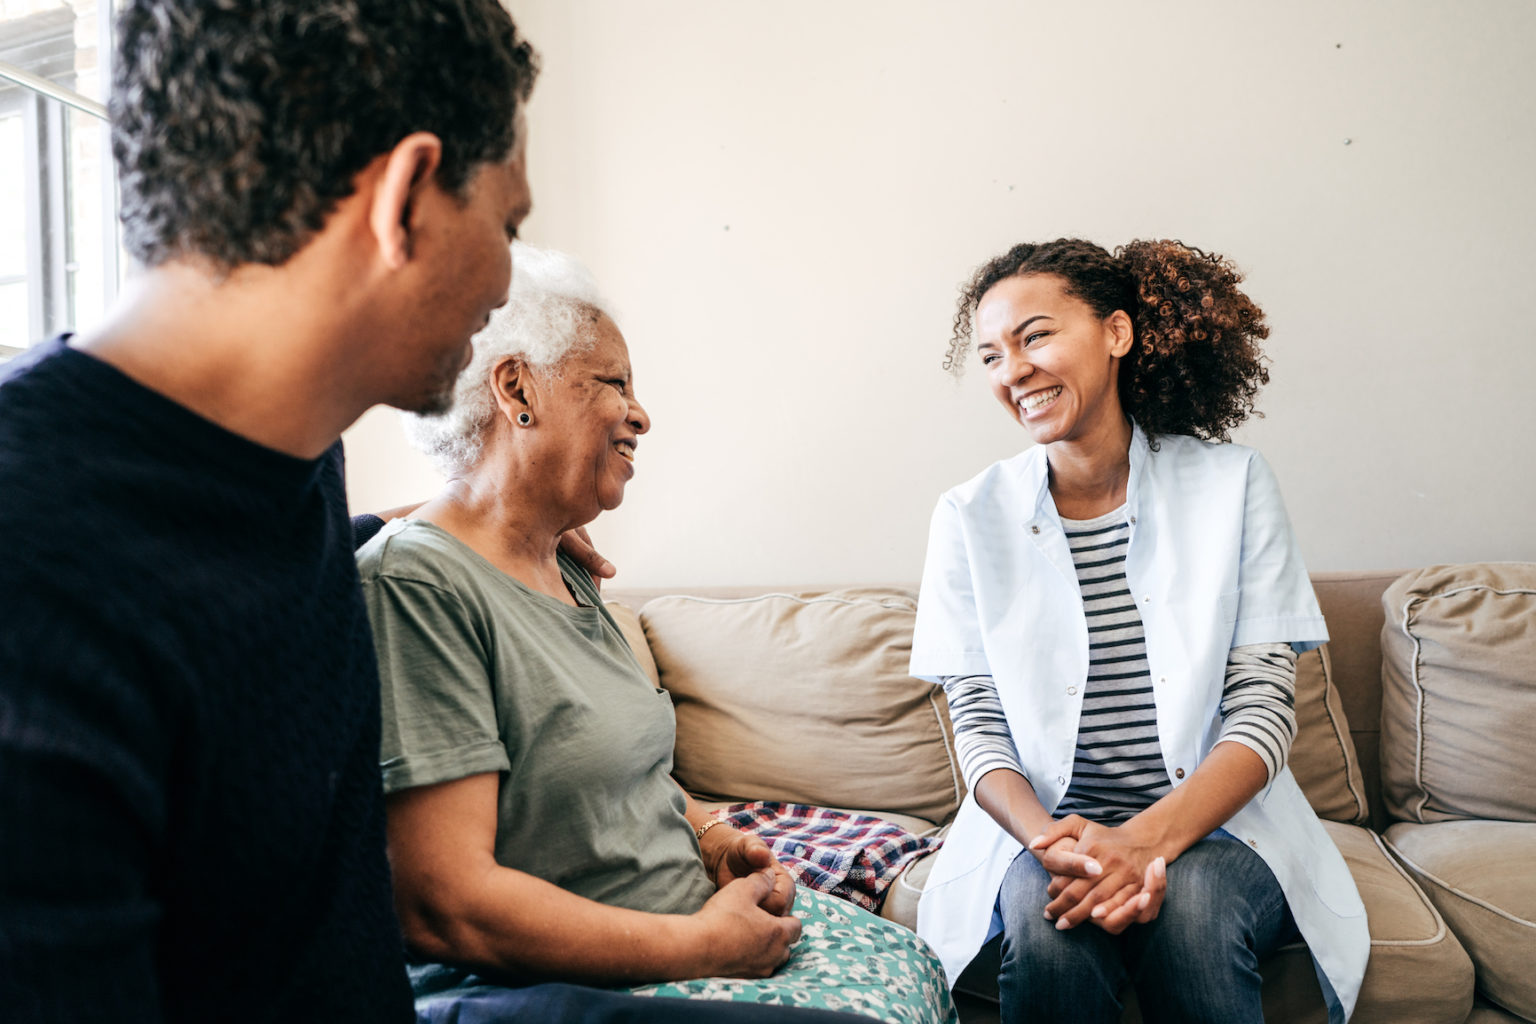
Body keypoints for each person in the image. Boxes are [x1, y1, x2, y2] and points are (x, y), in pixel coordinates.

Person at [0, 5, 820, 1023]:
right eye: (507, 226)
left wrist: (508, 521)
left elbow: (240, 563)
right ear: (405, 198)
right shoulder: (40, 587)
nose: (500, 281)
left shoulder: (275, 469)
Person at [356, 244, 957, 1024]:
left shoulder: (564, 566)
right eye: (613, 383)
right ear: (517, 389)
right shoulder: (418, 588)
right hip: (570, 989)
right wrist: (706, 947)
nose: (640, 415)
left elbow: (617, 765)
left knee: (910, 958)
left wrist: (711, 836)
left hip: (680, 935)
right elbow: (448, 906)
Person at [909, 238, 1370, 1024]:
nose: (1012, 371)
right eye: (990, 355)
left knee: (1191, 910)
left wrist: (1146, 843)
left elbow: (1263, 709)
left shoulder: (1234, 485)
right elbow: (978, 723)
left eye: (1036, 336)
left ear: (1117, 334)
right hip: (1049, 833)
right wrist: (1054, 842)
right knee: (1047, 915)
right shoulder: (967, 516)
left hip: (1221, 832)